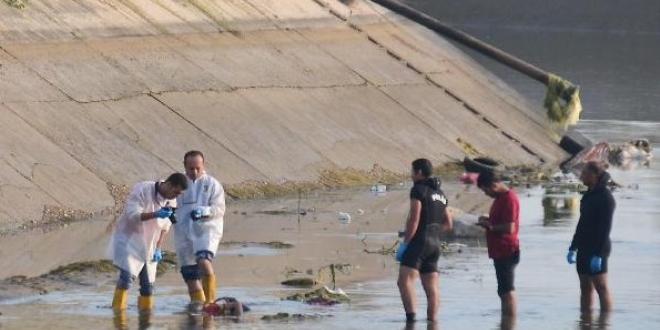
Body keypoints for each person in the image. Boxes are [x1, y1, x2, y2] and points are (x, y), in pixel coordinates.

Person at [107, 172, 188, 312]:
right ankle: (118, 315)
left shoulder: (171, 201)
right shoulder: (143, 190)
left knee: (147, 286)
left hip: (150, 244)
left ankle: (145, 318)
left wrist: (158, 247)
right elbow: (132, 216)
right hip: (130, 240)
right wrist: (155, 214)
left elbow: (165, 227)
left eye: (179, 194)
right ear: (168, 184)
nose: (176, 196)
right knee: (126, 279)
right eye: (175, 192)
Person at [396, 158, 453, 324]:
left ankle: (411, 322)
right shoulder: (440, 193)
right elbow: (448, 223)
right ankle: (433, 323)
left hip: (420, 243)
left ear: (419, 172)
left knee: (404, 282)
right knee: (432, 288)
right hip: (435, 245)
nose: (411, 174)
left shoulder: (418, 190)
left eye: (412, 171)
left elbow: (414, 219)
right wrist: (432, 232)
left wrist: (406, 243)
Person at [173, 150, 226, 311]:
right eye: (191, 168)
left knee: (204, 260)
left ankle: (210, 303)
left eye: (198, 168)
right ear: (185, 166)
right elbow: (168, 202)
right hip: (183, 232)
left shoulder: (212, 184)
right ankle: (199, 307)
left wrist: (204, 212)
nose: (194, 172)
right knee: (190, 276)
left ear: (203, 166)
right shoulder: (178, 184)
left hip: (206, 230)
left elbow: (220, 209)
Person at [567, 161, 615, 312]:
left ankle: (604, 323)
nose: (581, 176)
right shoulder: (588, 195)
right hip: (583, 247)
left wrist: (599, 254)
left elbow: (606, 228)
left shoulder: (605, 197)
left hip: (598, 248)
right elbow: (582, 223)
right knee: (585, 287)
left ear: (593, 175)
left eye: (584, 173)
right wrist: (573, 247)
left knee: (601, 287)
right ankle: (585, 321)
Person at [476, 169, 520, 317]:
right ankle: (505, 321)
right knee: (502, 290)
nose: (486, 194)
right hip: (499, 250)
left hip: (507, 249)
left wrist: (490, 227)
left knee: (507, 290)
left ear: (494, 185)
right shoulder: (500, 199)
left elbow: (510, 227)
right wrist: (487, 220)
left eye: (486, 190)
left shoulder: (510, 199)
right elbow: (501, 219)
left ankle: (510, 322)